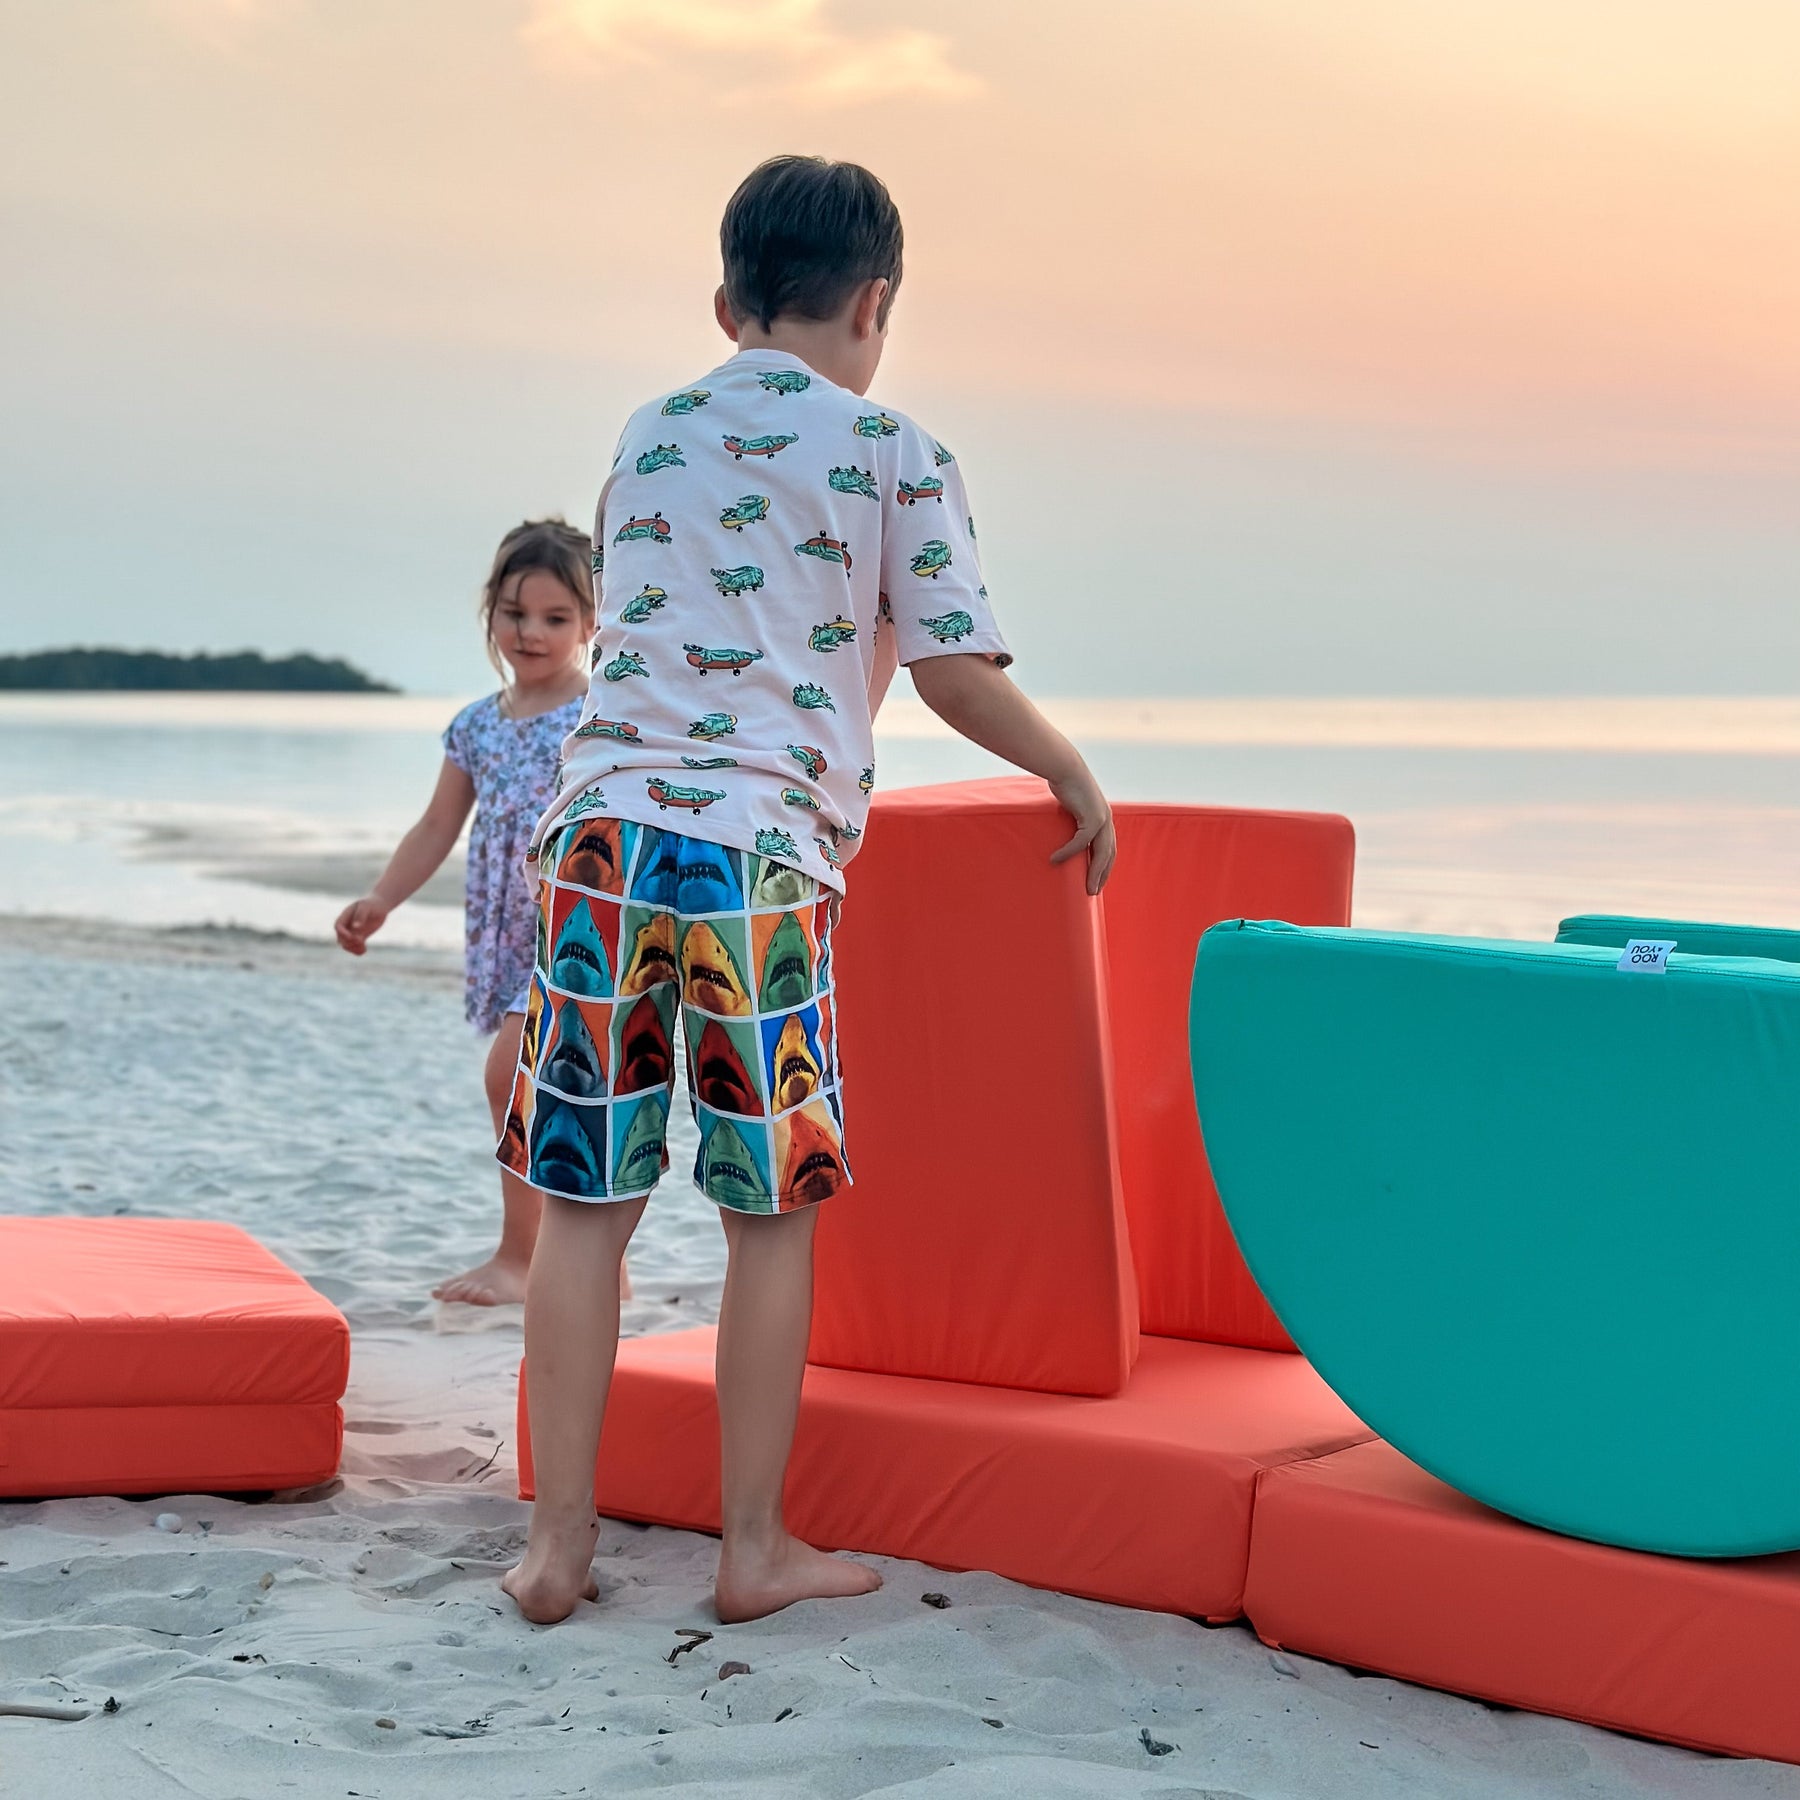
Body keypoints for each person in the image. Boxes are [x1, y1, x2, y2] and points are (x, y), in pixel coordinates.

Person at [500, 155, 1116, 1627]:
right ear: (875, 304)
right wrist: (1069, 770)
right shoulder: (897, 447)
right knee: (768, 1215)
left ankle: (556, 1551)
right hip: (758, 856)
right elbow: (955, 670)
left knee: (582, 1204)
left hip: (598, 844)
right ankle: (754, 1547)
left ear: (728, 305)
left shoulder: (648, 433)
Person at [335, 519, 629, 1307]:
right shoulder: (476, 724)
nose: (530, 632)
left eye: (555, 617)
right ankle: (599, 1267)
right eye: (514, 612)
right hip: (508, 935)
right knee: (559, 1087)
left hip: (581, 924)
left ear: (593, 623)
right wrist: (382, 898)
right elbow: (438, 825)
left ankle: (521, 1257)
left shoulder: (600, 712)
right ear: (489, 611)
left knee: (516, 1076)